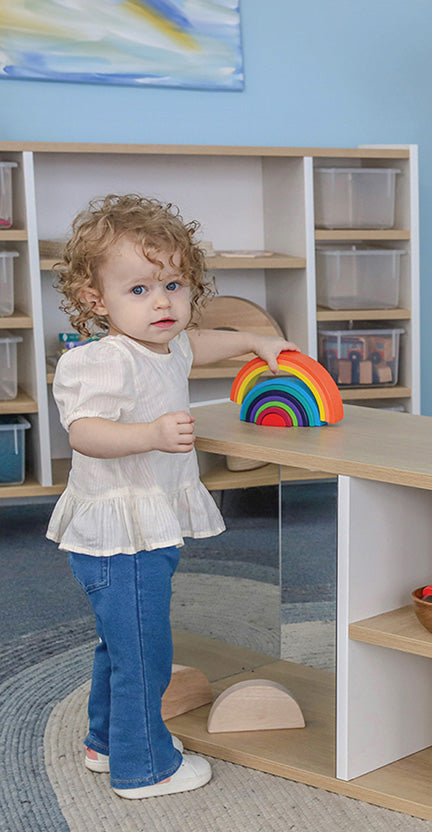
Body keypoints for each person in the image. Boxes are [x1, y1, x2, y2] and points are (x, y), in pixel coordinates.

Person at [46, 193, 295, 800]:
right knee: (145, 653)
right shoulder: (100, 361)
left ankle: (107, 742)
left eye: (174, 286)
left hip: (145, 525)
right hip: (117, 533)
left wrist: (253, 344)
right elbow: (85, 434)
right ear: (94, 301)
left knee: (122, 641)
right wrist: (150, 434)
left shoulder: (167, 345)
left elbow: (200, 346)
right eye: (139, 290)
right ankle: (144, 766)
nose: (162, 303)